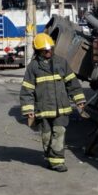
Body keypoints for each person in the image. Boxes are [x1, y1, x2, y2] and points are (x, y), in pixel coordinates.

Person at [20, 33, 86, 172]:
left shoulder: (61, 63)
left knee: (59, 131)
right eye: (45, 50)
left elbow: (72, 83)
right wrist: (29, 110)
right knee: (46, 135)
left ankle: (57, 162)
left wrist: (79, 100)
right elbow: (27, 90)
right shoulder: (33, 67)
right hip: (43, 110)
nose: (49, 51)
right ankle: (50, 157)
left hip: (61, 108)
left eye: (50, 48)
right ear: (38, 50)